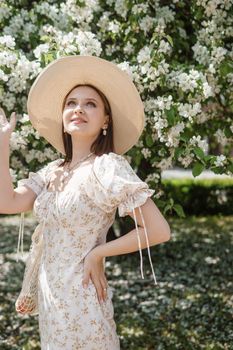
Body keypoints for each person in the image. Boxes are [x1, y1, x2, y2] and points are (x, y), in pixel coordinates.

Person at [0, 55, 171, 349]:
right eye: (71, 103)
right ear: (63, 119)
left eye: (90, 103)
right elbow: (7, 202)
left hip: (83, 297)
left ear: (106, 120)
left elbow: (158, 230)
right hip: (51, 297)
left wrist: (98, 253)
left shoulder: (107, 166)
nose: (78, 108)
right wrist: (3, 145)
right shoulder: (52, 170)